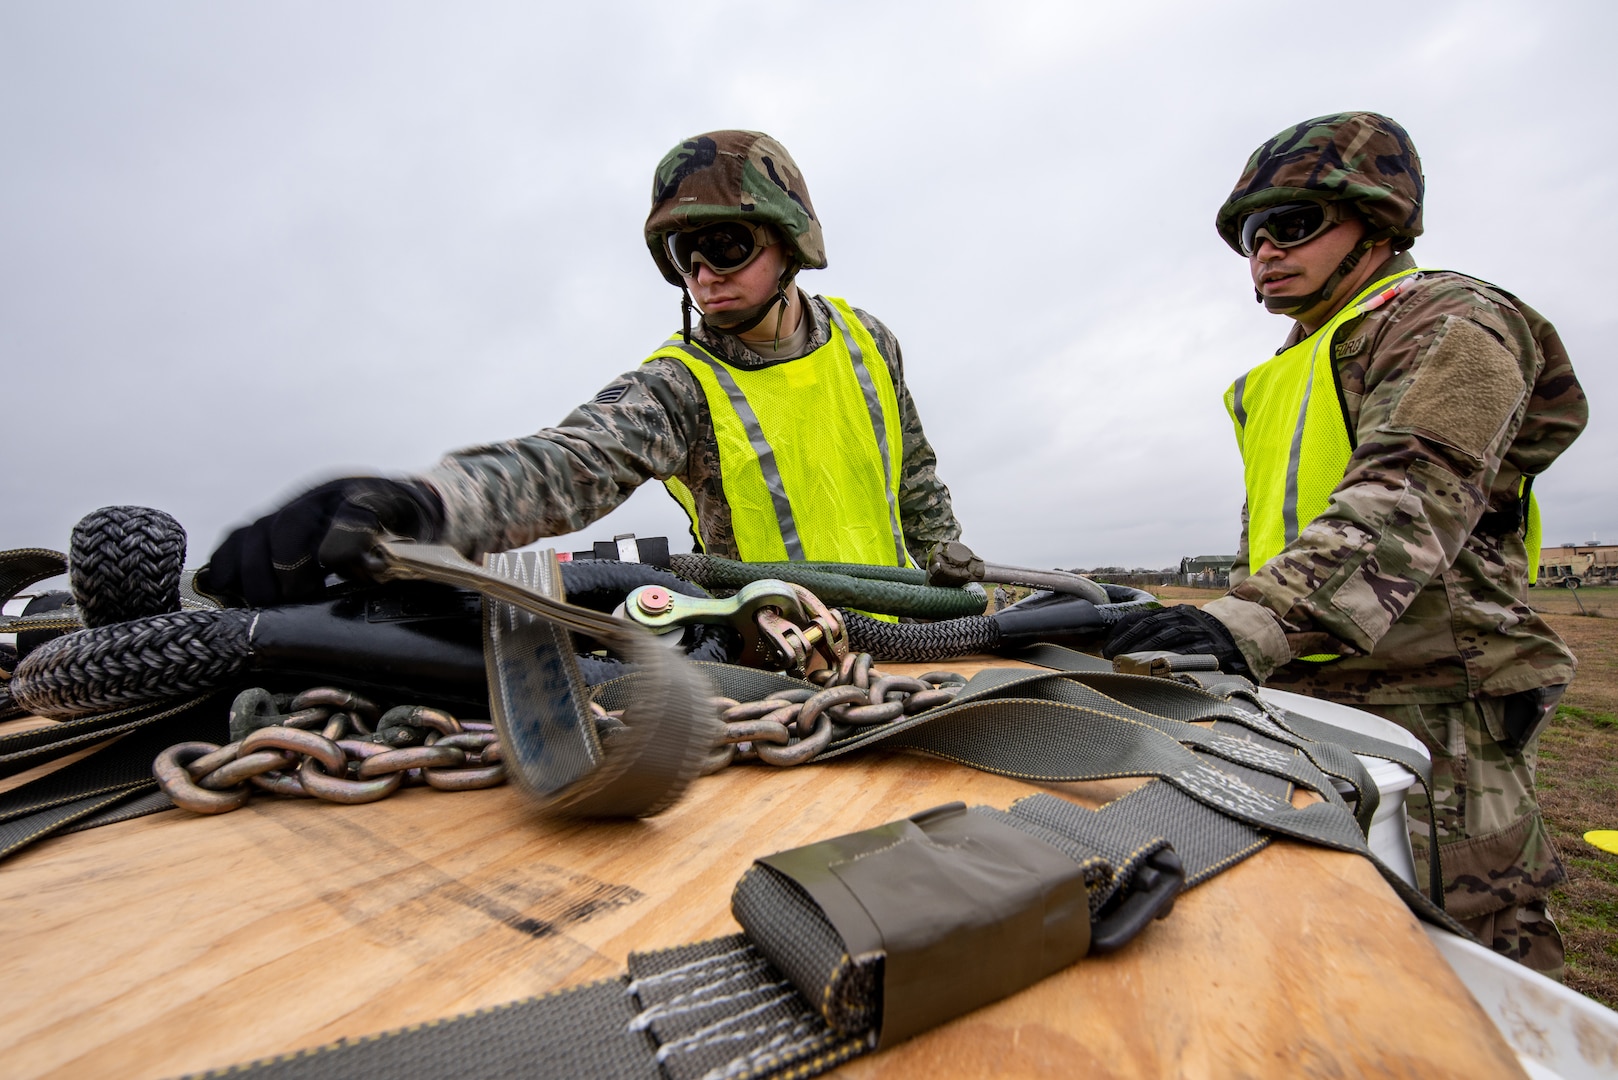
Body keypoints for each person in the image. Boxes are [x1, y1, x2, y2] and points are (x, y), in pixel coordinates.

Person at [1104, 112, 1587, 977]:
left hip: (1434, 709)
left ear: (1379, 220)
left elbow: (1411, 494)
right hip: (1309, 696)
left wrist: (1242, 625)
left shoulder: (1450, 321)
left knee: (1464, 954)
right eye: (1252, 237)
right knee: (1334, 944)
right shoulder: (1297, 364)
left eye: (1293, 226)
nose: (1265, 254)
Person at [203, 130, 962, 607]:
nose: (702, 275)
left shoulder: (871, 343)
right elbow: (568, 465)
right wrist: (424, 505)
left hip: (920, 645)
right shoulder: (678, 387)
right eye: (682, 256)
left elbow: (919, 491)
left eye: (725, 246)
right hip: (789, 661)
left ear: (791, 240)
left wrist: (977, 603)